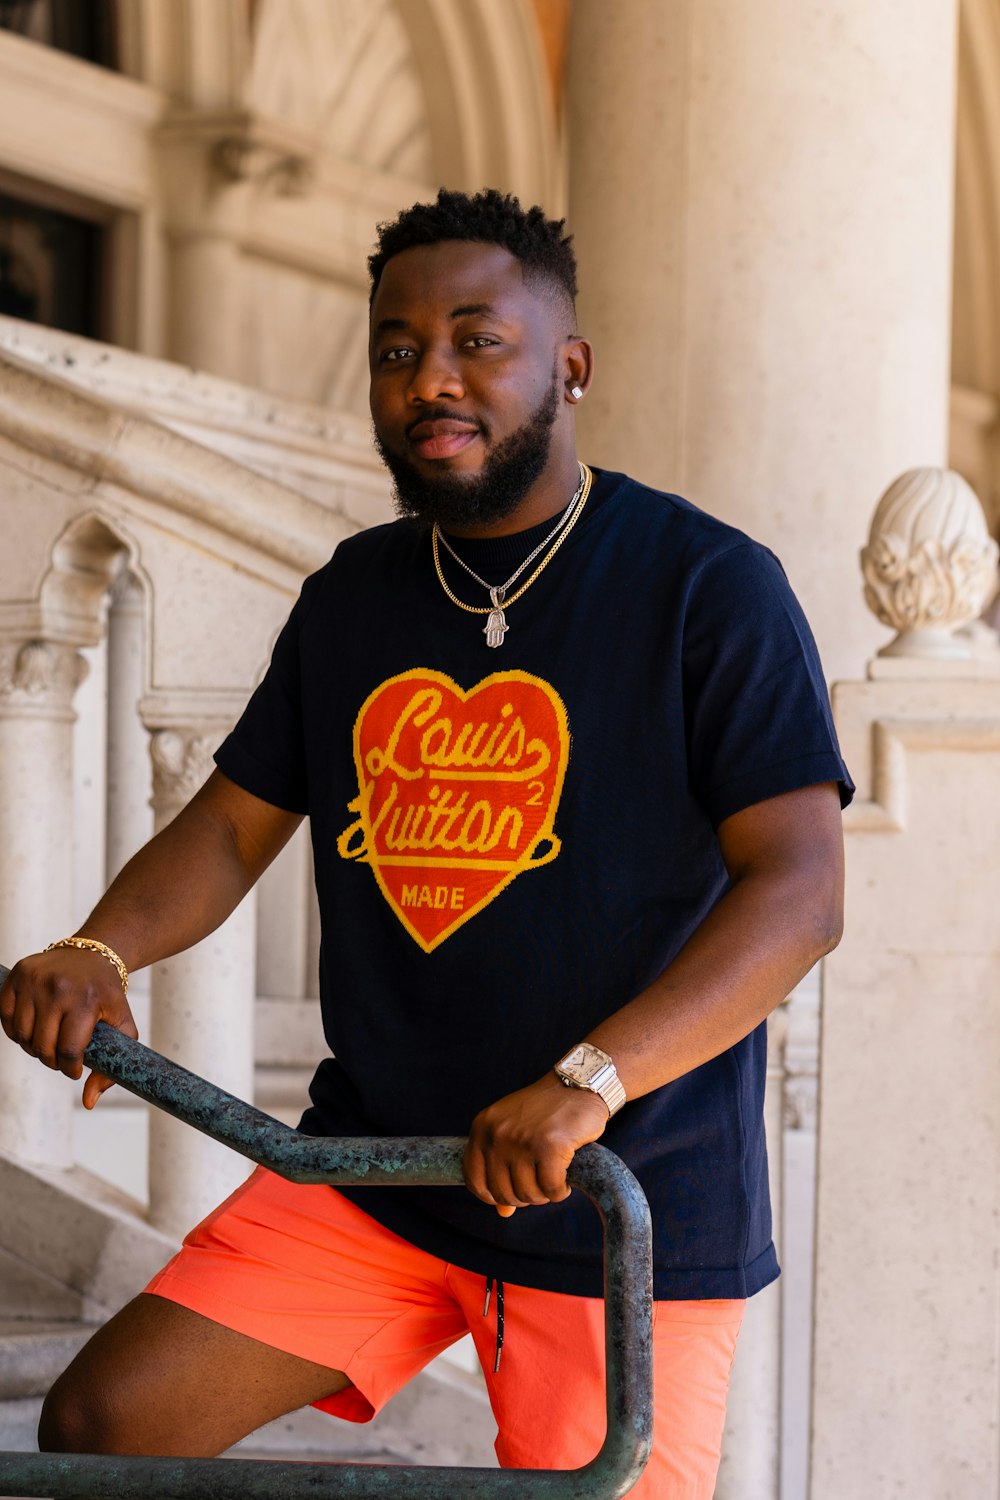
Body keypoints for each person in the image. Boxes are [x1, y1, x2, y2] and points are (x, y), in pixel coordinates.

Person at [0, 188, 852, 1498]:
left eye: (476, 341)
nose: (431, 379)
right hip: (380, 1171)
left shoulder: (706, 587)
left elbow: (798, 892)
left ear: (570, 366)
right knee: (111, 1427)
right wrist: (96, 943)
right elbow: (232, 826)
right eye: (398, 350)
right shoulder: (356, 597)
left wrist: (592, 1079)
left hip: (616, 1198)